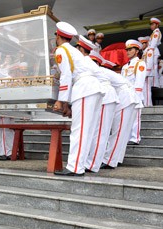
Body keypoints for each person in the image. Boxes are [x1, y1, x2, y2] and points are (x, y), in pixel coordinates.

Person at [52, 22, 103, 176]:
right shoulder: (74, 51)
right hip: (94, 88)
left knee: (79, 130)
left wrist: (62, 101)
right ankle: (80, 165)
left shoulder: (61, 50)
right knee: (87, 130)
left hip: (84, 88)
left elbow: (66, 75)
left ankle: (74, 167)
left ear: (58, 36)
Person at [101, 58, 142, 169]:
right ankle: (116, 159)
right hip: (130, 99)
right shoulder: (108, 73)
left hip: (125, 99)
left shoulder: (101, 72)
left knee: (118, 132)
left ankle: (109, 160)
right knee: (122, 133)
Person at [125, 40, 146, 145]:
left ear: (137, 51)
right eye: (127, 50)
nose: (128, 52)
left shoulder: (140, 63)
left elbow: (139, 82)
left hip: (135, 95)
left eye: (130, 49)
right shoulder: (125, 66)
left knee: (135, 118)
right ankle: (129, 137)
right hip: (126, 96)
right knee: (128, 118)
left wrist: (136, 97)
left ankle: (135, 137)